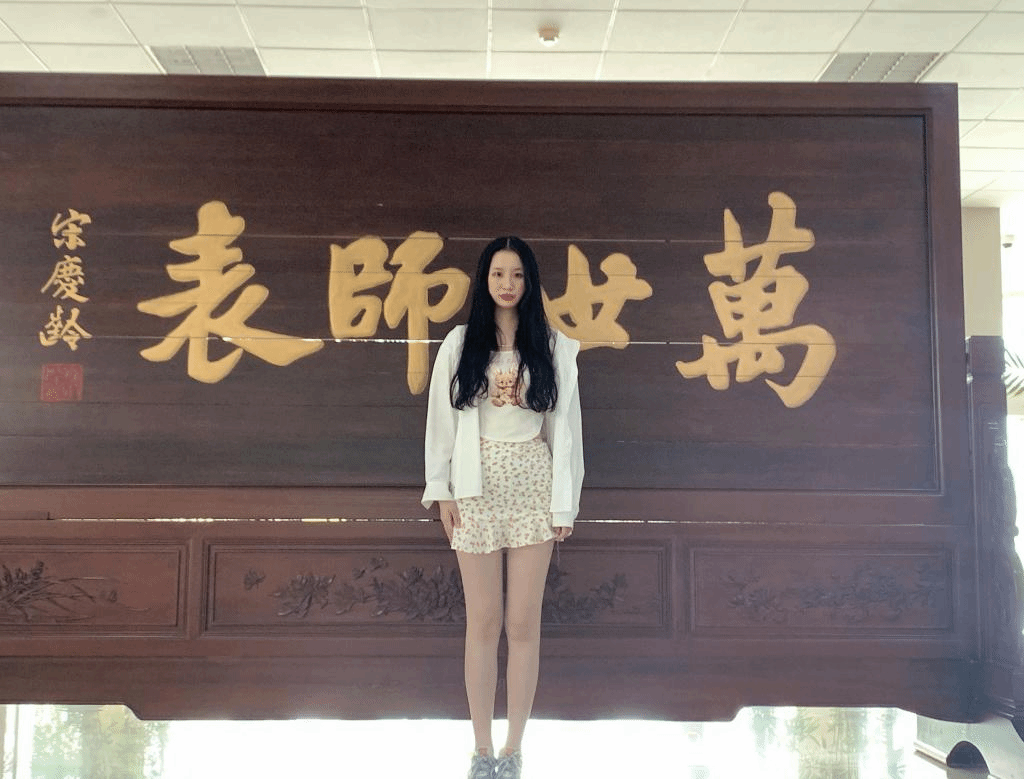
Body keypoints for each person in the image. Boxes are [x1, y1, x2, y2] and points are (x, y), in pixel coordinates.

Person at [422, 236, 584, 779]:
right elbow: (441, 421)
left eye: (517, 274)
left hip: (533, 486)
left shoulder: (553, 347)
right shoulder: (460, 344)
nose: (507, 284)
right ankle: (481, 750)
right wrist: (441, 488)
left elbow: (566, 430)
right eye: (498, 274)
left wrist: (564, 504)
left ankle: (514, 750)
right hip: (475, 490)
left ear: (529, 281)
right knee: (484, 622)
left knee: (522, 623)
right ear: (485, 280)